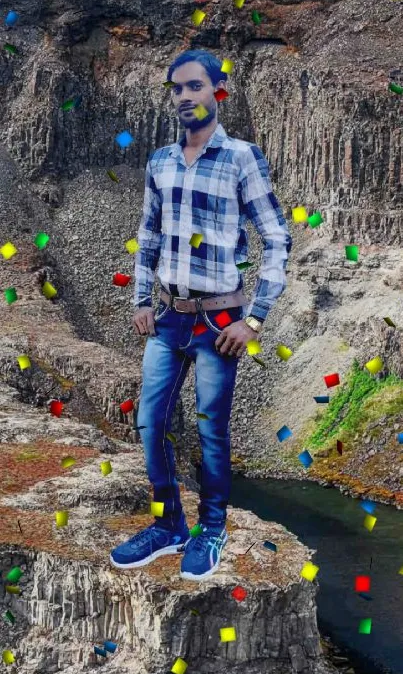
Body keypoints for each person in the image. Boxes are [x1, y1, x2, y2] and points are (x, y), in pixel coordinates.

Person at [110, 49, 292, 581]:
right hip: (169, 316)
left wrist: (253, 319)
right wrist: (140, 299)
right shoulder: (160, 162)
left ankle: (210, 530)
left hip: (220, 322)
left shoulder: (241, 157)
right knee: (151, 421)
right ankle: (168, 525)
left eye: (195, 86)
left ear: (219, 92)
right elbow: (148, 236)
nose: (185, 96)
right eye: (177, 88)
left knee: (212, 428)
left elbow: (277, 237)